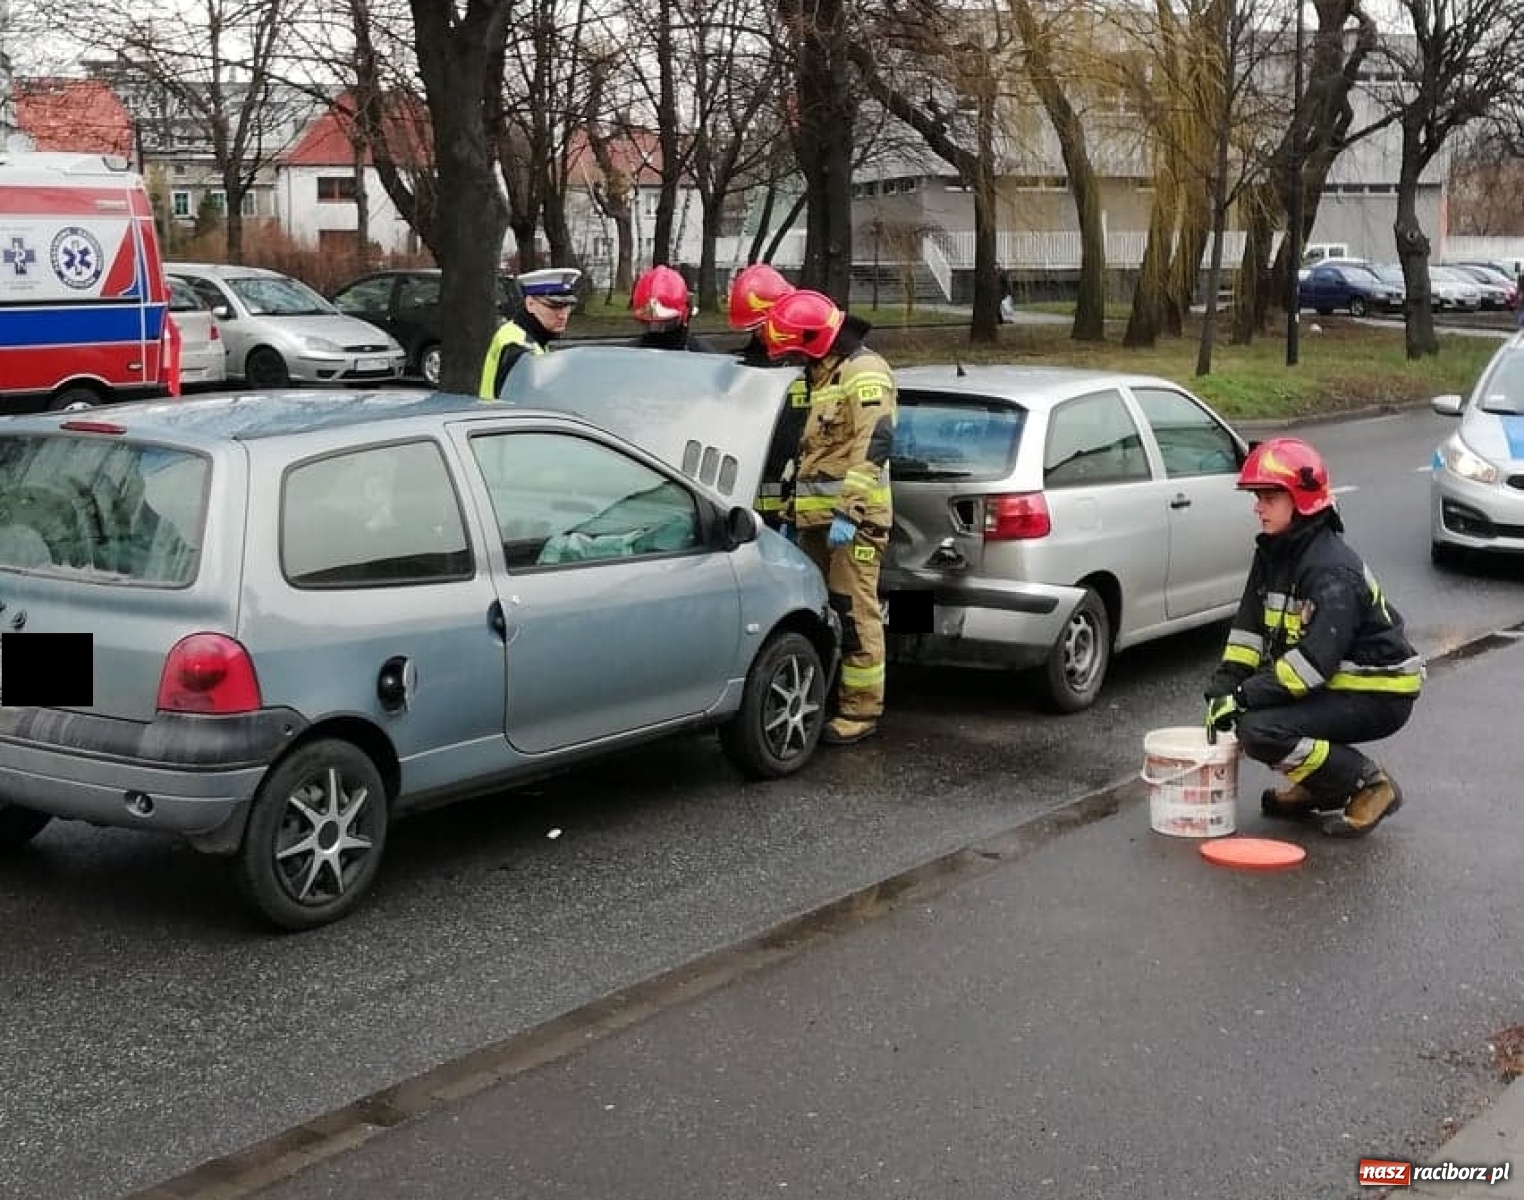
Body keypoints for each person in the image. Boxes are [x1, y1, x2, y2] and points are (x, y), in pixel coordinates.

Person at [1203, 437, 1424, 837]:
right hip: (1337, 684)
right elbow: (1248, 631)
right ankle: (1319, 787)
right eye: (1257, 497)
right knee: (1257, 720)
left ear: (1301, 500)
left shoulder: (1331, 570)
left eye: (1269, 497)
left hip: (1378, 693)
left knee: (1259, 729)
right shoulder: (1273, 551)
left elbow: (1311, 665)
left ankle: (1369, 785)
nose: (1258, 507)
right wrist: (1223, 685)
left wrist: (1242, 698)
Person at [761, 288, 897, 747]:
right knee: (820, 614)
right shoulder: (820, 374)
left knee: (853, 612)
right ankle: (825, 697)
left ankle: (861, 710)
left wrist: (849, 511)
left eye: (797, 348)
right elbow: (810, 451)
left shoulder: (865, 373)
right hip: (814, 522)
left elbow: (873, 447)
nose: (793, 357)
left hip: (854, 522)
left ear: (814, 340)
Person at [477, 267, 582, 399]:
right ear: (530, 304)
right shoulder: (519, 346)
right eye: (554, 307)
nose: (563, 315)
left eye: (567, 307)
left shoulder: (530, 336)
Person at [629, 265, 716, 351]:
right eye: (648, 323)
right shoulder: (704, 355)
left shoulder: (701, 354)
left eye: (667, 323)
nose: (658, 329)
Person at [727, 263, 797, 365]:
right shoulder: (760, 345)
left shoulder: (810, 349)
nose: (758, 334)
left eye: (762, 326)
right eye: (753, 328)